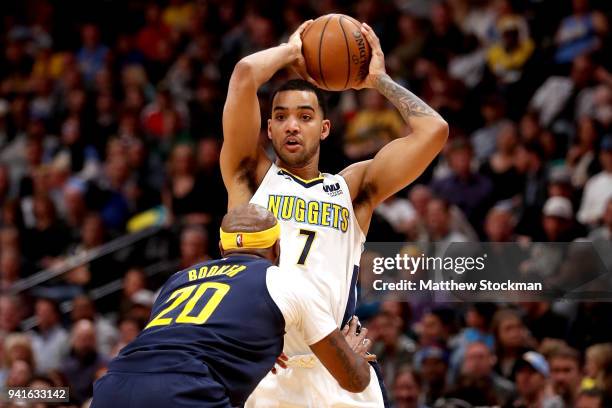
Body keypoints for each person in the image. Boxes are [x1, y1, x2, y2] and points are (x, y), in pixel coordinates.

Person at [221, 20, 448, 407]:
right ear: (270, 129)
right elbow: (244, 75)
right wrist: (293, 52)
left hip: (339, 367)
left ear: (325, 128)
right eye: (281, 117)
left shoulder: (352, 189)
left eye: (305, 116)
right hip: (268, 368)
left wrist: (377, 80)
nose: (292, 126)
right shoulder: (250, 177)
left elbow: (434, 130)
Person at [91, 204, 372, 408]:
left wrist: (253, 343)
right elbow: (353, 381)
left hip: (113, 387)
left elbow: (176, 338)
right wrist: (352, 355)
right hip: (186, 390)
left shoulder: (177, 279)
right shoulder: (285, 280)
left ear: (222, 249)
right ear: (277, 248)